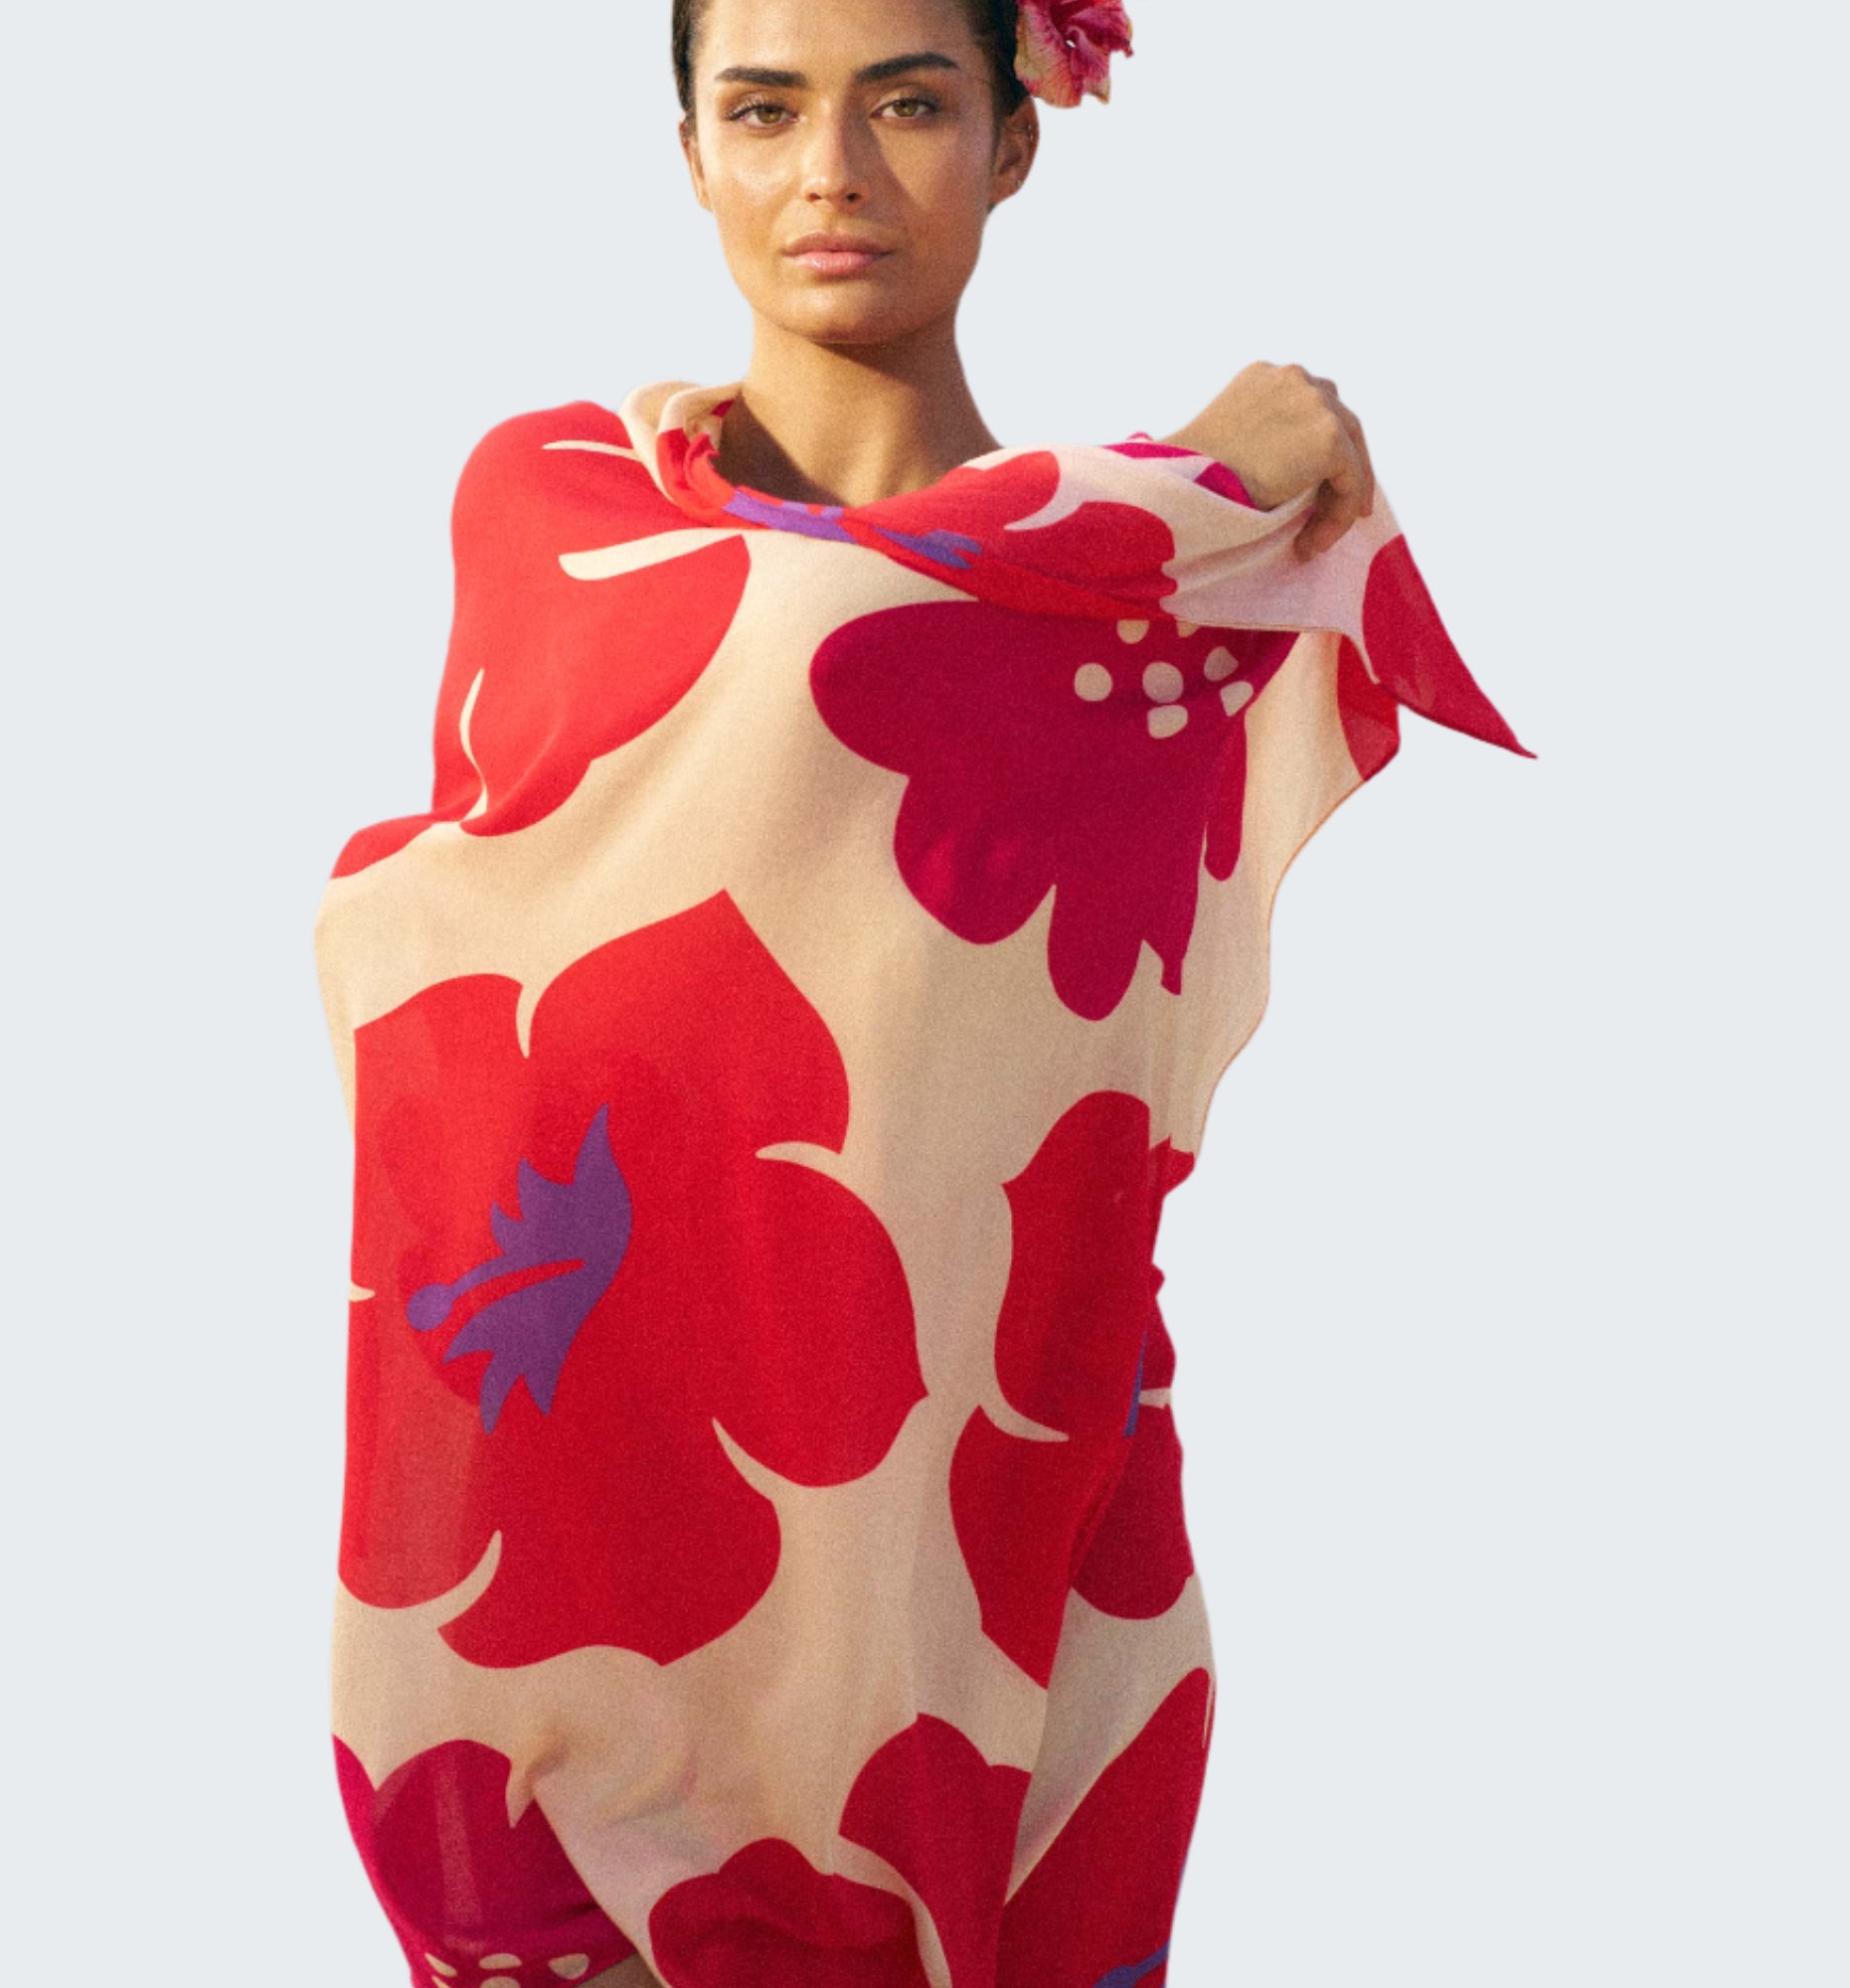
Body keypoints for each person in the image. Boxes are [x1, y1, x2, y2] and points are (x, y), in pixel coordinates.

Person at [311, 2, 1530, 1984]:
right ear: (690, 152)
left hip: (1010, 1505)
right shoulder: (566, 499)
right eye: (764, 108)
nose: (831, 175)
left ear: (1014, 140)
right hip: (612, 1519)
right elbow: (805, 645)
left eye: (907, 103)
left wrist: (1185, 515)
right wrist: (1196, 473)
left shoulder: (1140, 611)